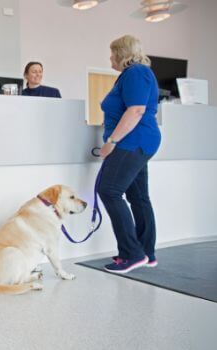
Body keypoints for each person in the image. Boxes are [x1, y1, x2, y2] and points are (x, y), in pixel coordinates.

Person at [96, 35, 162, 274]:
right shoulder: (133, 75)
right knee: (138, 197)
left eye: (113, 53)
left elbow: (135, 111)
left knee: (109, 191)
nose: (110, 57)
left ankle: (131, 254)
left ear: (122, 53)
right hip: (138, 141)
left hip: (133, 141)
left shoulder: (136, 73)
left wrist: (112, 141)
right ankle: (146, 253)